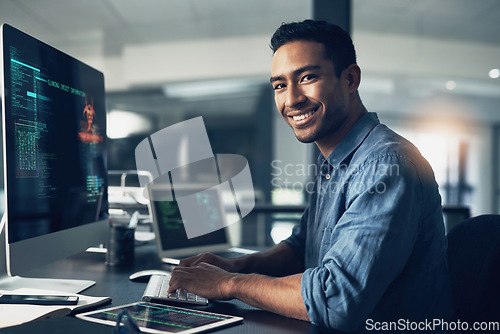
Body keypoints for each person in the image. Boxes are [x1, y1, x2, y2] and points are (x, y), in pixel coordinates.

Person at [168, 19, 453, 332]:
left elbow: (335, 299)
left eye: (307, 77)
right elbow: (302, 246)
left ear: (350, 78)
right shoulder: (336, 160)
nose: (291, 99)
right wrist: (233, 265)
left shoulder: (386, 165)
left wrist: (229, 283)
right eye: (280, 85)